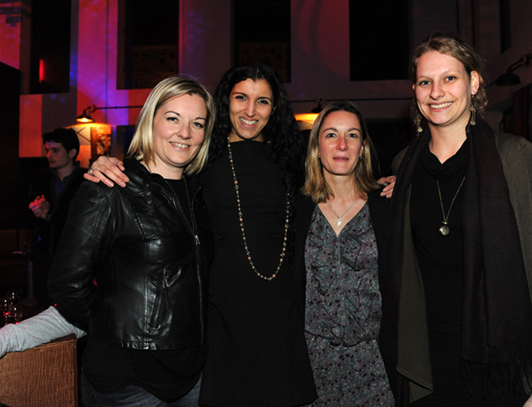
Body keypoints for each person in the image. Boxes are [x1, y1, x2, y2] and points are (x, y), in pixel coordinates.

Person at [82, 61, 318, 406]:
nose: (250, 110)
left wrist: (385, 187)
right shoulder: (200, 157)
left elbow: (329, 194)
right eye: (241, 97)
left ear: (275, 107)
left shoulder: (291, 160)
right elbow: (154, 176)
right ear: (225, 101)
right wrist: (107, 163)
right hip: (219, 314)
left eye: (263, 101)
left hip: (280, 312)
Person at [1, 75, 215, 407]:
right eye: (173, 118)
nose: (185, 133)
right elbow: (66, 284)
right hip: (130, 383)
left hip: (193, 377)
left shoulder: (199, 194)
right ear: (150, 121)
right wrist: (114, 328)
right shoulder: (110, 187)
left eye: (197, 123)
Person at [383, 32, 532, 407]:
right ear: (415, 91)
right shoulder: (403, 167)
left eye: (449, 78)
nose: (436, 92)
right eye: (425, 81)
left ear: (472, 82)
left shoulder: (517, 158)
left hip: (499, 366)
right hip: (424, 370)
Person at [295, 101, 395, 406]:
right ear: (317, 147)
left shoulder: (387, 205)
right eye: (331, 135)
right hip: (309, 367)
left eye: (352, 136)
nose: (342, 145)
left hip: (375, 367)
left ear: (362, 147)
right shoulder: (295, 209)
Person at [27, 127, 86, 308]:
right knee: (43, 305)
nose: (49, 155)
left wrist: (49, 214)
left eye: (55, 150)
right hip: (44, 254)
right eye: (47, 150)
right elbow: (27, 219)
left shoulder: (85, 181)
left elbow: (81, 221)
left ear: (72, 152)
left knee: (71, 308)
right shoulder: (41, 180)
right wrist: (35, 210)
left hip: (73, 257)